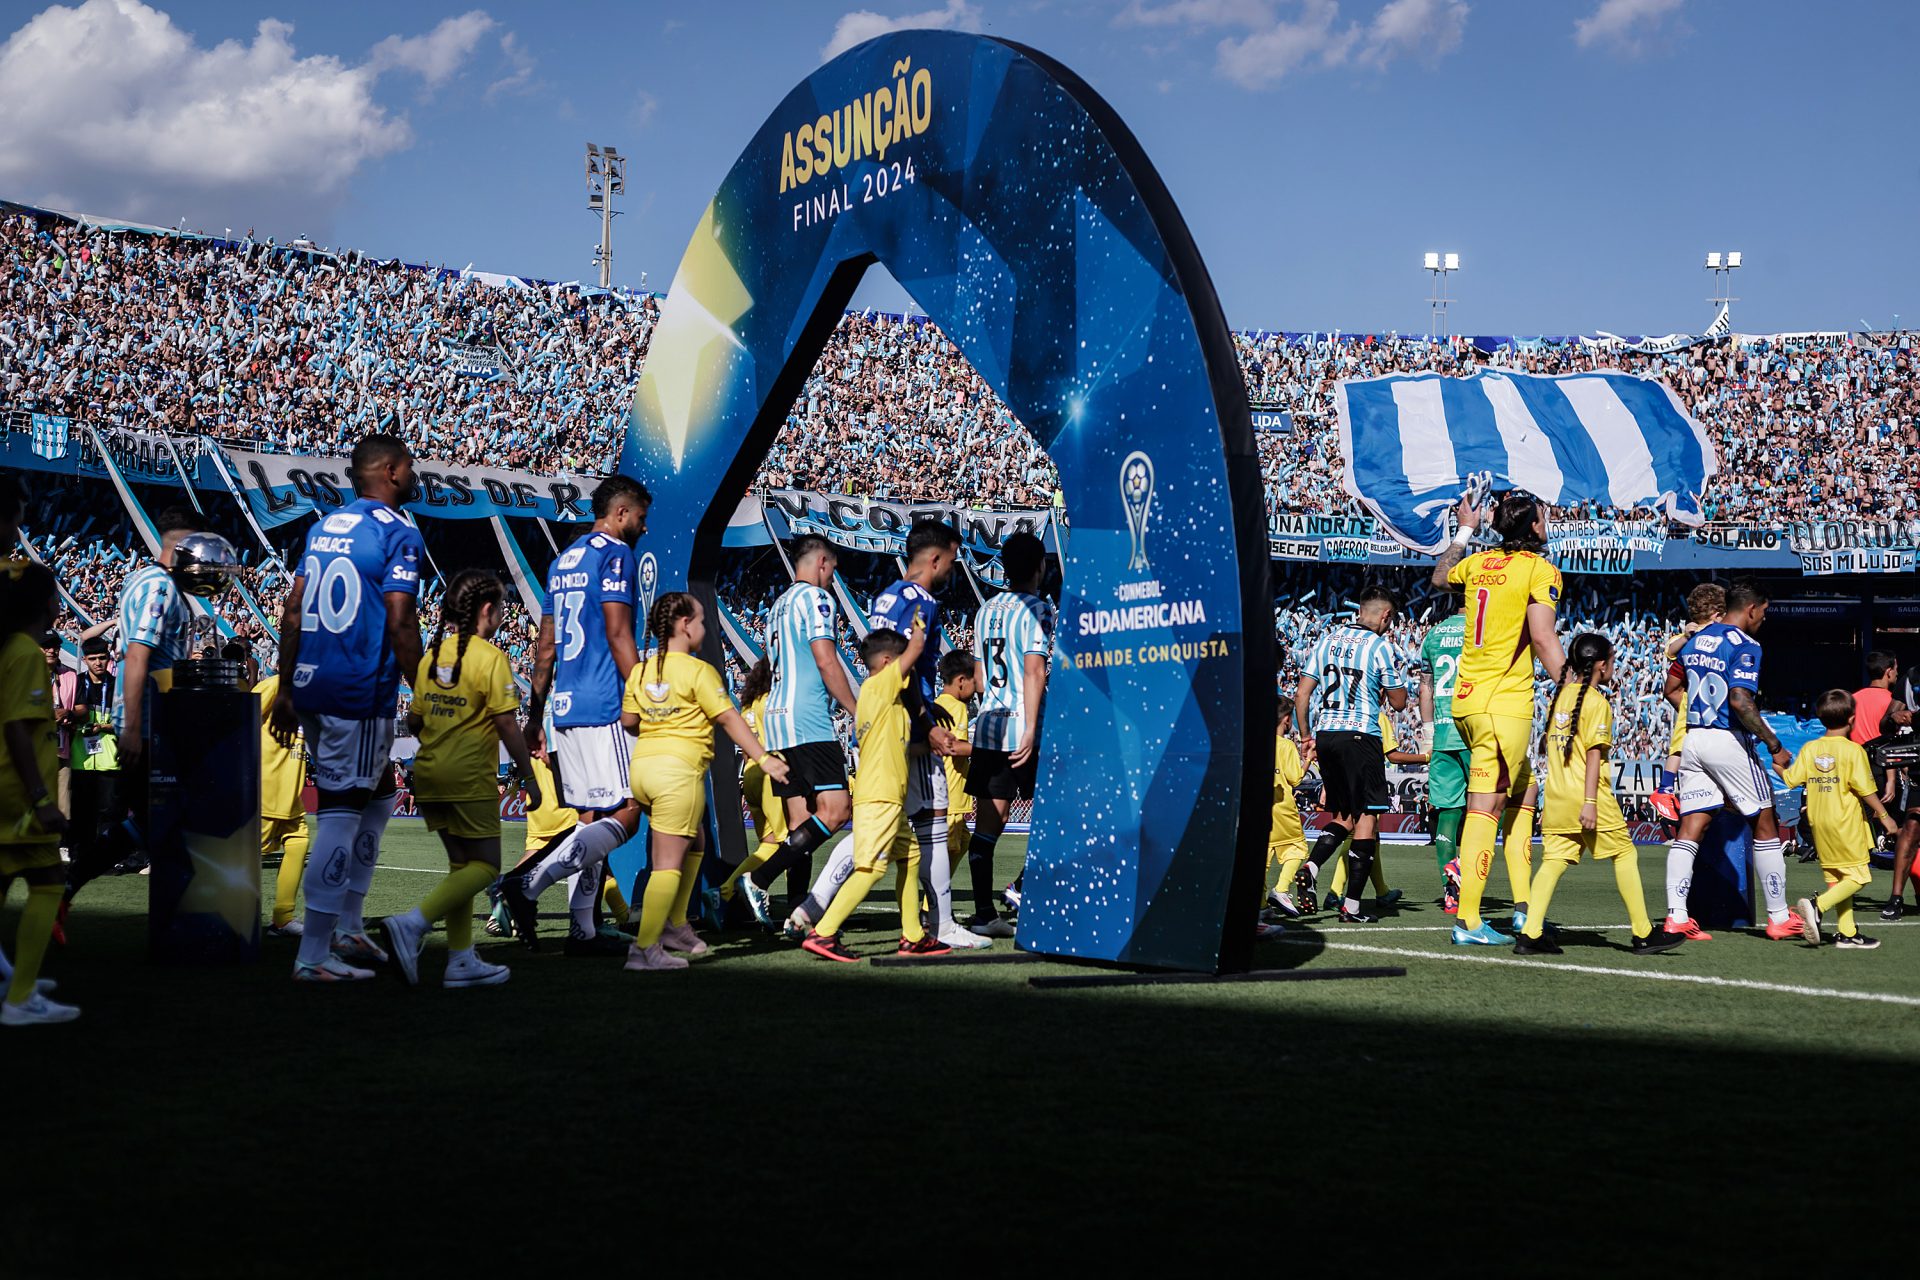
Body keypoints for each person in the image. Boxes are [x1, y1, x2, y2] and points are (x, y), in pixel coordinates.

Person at [269, 435, 426, 982]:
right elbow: (401, 619)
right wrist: (425, 690)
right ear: (388, 471)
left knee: (381, 793)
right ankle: (314, 953)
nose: (415, 472)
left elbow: (293, 610)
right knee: (339, 811)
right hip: (357, 690)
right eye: (409, 465)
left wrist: (287, 687)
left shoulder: (323, 527)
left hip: (312, 684)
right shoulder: (399, 530)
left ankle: (349, 925)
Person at [502, 474, 651, 955]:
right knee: (629, 813)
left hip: (564, 707)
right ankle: (526, 884)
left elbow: (545, 647)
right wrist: (647, 695)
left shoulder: (564, 560)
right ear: (622, 513)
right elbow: (617, 632)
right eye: (641, 519)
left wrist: (535, 715)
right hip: (604, 701)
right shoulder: (616, 554)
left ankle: (582, 930)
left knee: (590, 819)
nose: (644, 530)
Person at [618, 592, 789, 972]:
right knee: (667, 865)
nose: (704, 627)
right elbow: (729, 719)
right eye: (700, 620)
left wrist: (659, 717)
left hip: (643, 771)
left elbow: (629, 721)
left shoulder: (641, 671)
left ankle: (676, 924)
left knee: (696, 839)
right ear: (683, 625)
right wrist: (763, 758)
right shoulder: (698, 671)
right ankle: (644, 949)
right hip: (678, 774)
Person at [382, 569, 537, 987]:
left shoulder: (434, 657)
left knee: (460, 867)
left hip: (429, 774)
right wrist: (530, 778)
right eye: (503, 605)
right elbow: (508, 726)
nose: (505, 612)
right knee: (486, 867)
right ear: (487, 610)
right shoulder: (491, 659)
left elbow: (414, 721)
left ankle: (460, 959)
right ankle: (413, 924)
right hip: (469, 776)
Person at [1429, 488, 1566, 946]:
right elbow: (1544, 639)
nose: (1547, 524)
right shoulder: (1539, 569)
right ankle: (1468, 920)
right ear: (1532, 527)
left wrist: (1464, 529)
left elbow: (1440, 575)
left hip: (1469, 700)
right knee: (1485, 808)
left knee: (1525, 794)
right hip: (1501, 705)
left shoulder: (1478, 564)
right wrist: (1576, 689)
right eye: (1543, 519)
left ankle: (1525, 908)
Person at [1518, 632, 1683, 957]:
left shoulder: (1562, 698)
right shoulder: (1596, 702)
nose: (1613, 667)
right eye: (1611, 661)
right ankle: (1643, 933)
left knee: (1553, 862)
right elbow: (1593, 755)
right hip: (1587, 798)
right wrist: (1591, 803)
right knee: (1624, 854)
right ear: (1601, 665)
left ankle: (1530, 933)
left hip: (1556, 798)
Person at [801, 622, 951, 961]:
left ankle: (913, 935)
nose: (907, 672)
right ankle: (823, 933)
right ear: (886, 662)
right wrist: (919, 625)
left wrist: (931, 745)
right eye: (902, 665)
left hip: (887, 798)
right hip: (880, 797)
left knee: (910, 856)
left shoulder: (881, 700)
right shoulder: (880, 685)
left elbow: (895, 748)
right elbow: (912, 653)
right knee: (870, 868)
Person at [1663, 581, 1804, 941]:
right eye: (1765, 612)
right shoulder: (1745, 645)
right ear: (1752, 608)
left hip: (1693, 739)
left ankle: (1677, 916)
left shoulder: (1695, 640)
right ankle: (1777, 917)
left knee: (1692, 826)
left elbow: (1670, 687)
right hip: (1727, 740)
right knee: (1765, 820)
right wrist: (1774, 745)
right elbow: (1741, 700)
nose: (1764, 619)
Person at [860, 520, 976, 949]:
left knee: (874, 829)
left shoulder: (887, 595)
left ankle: (813, 910)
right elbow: (903, 670)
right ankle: (942, 924)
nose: (953, 567)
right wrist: (927, 726)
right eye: (952, 557)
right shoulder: (921, 600)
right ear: (935, 557)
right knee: (930, 825)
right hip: (911, 727)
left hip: (889, 724)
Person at [738, 537, 859, 928]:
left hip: (776, 719)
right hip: (807, 718)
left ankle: (795, 912)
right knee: (837, 811)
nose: (833, 580)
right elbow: (825, 660)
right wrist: (856, 710)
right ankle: (757, 879)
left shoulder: (778, 605)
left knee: (799, 824)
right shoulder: (816, 600)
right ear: (822, 562)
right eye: (834, 570)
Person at [1293, 586, 1408, 923]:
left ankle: (1312, 868)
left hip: (1327, 735)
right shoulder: (1379, 646)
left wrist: (1304, 736)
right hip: (1361, 735)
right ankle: (1353, 906)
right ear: (1385, 615)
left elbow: (1302, 694)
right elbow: (1399, 701)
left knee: (1344, 815)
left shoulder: (1327, 639)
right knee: (1367, 818)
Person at [963, 532, 1053, 938]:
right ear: (1040, 568)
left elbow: (981, 679)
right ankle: (1025, 887)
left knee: (988, 825)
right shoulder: (1038, 608)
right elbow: (1034, 669)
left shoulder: (986, 610)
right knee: (1058, 815)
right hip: (1022, 728)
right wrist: (1032, 727)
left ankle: (984, 913)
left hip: (988, 726)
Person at [0, 564, 78, 1024]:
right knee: (49, 882)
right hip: (18, 798)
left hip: (9, 793)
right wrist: (40, 799)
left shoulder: (9, 647)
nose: (59, 603)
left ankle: (17, 986)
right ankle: (20, 997)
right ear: (40, 603)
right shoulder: (26, 652)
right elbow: (17, 728)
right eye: (54, 596)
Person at [1788, 689, 1899, 949]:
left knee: (1838, 877)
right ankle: (1818, 906)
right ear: (1852, 718)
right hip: (1846, 823)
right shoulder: (1853, 751)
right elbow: (1865, 789)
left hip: (1819, 823)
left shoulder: (1810, 748)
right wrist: (1885, 817)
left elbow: (1791, 778)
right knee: (1859, 877)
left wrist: (1778, 763)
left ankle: (1847, 932)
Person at [713, 657, 783, 929]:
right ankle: (730, 889)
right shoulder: (771, 702)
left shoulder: (748, 706)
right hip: (769, 772)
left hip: (750, 774)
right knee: (787, 843)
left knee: (768, 842)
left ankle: (726, 891)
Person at [1654, 584, 1726, 821]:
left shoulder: (1719, 634)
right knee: (1679, 745)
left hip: (1705, 700)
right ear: (1717, 614)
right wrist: (1686, 636)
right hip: (1694, 701)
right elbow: (1670, 649)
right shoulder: (1695, 633)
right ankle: (1664, 789)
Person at [1418, 605, 1468, 910]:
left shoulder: (1433, 635)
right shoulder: (1481, 631)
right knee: (1498, 804)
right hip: (1474, 731)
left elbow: (1425, 687)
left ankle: (1451, 894)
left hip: (1441, 735)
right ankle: (1463, 863)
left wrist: (1428, 735)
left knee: (1447, 815)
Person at [254, 668, 310, 938]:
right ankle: (212, 914)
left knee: (299, 842)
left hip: (289, 792)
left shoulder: (314, 692)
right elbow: (241, 720)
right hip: (266, 788)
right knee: (246, 855)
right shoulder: (274, 686)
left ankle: (283, 918)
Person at [934, 648, 977, 902]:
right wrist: (985, 751)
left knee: (962, 841)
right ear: (962, 680)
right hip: (950, 796)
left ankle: (938, 898)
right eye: (974, 680)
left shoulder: (938, 705)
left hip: (948, 792)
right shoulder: (956, 707)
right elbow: (954, 747)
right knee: (944, 854)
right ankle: (932, 907)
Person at [1265, 702, 1310, 917]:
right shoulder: (1286, 745)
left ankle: (1261, 908)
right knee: (1297, 848)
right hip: (1283, 810)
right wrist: (1309, 759)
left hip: (1259, 810)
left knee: (1260, 863)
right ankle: (1281, 889)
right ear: (1287, 719)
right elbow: (1295, 778)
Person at [44, 634, 75, 819]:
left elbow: (80, 708)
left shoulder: (69, 675)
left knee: (63, 802)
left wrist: (68, 714)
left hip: (62, 747)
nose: (51, 650)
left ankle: (61, 844)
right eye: (45, 646)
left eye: (55, 646)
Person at [1851, 650, 1900, 747]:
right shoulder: (1894, 702)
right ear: (1889, 672)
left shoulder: (1852, 699)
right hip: (1882, 758)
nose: (1897, 673)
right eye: (1896, 669)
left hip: (1857, 757)